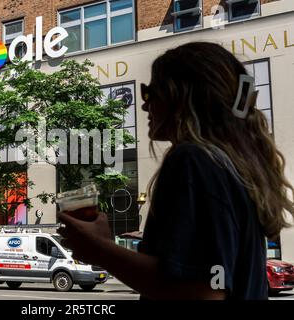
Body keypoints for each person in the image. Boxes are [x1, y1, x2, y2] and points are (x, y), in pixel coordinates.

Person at [58, 42, 294, 300]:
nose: (144, 106)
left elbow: (201, 289)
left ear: (178, 95)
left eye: (148, 93)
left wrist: (99, 250)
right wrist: (105, 247)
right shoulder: (232, 168)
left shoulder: (194, 160)